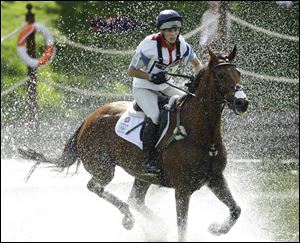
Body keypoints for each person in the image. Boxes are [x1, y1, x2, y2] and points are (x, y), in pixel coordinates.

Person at [128, 9, 202, 174]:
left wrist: (196, 81)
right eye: (169, 30)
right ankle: (149, 159)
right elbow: (131, 71)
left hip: (165, 84)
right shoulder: (149, 45)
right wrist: (151, 77)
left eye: (175, 30)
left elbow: (197, 64)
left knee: (190, 105)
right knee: (155, 116)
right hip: (144, 87)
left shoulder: (182, 46)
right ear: (161, 31)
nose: (173, 34)